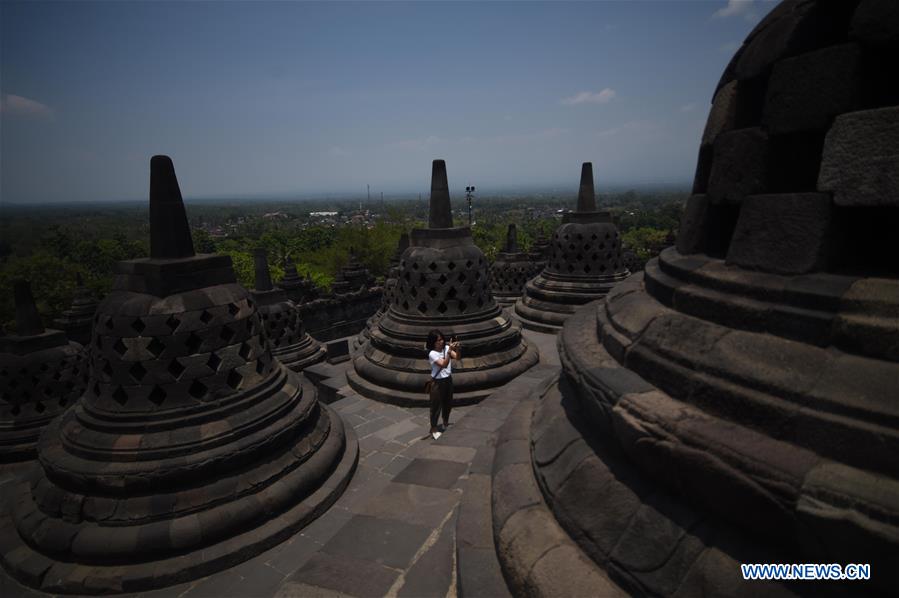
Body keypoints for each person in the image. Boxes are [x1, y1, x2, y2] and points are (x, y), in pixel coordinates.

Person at [426, 329, 460, 440]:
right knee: (436, 406)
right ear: (433, 342)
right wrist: (449, 351)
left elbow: (458, 357)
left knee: (448, 403)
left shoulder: (446, 348)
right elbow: (444, 364)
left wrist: (457, 348)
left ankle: (445, 423)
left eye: (441, 339)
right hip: (437, 382)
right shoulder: (432, 353)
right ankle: (434, 429)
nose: (441, 342)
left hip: (448, 379)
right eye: (438, 340)